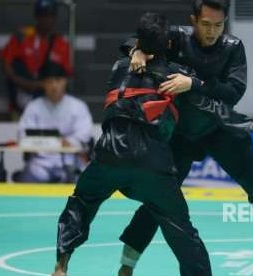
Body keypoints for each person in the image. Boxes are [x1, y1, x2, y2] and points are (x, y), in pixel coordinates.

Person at [118, 1, 253, 275]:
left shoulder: (233, 48)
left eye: (218, 25)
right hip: (180, 133)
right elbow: (135, 38)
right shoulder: (176, 37)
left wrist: (194, 83)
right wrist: (138, 50)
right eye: (205, 24)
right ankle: (127, 265)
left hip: (219, 127)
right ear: (193, 20)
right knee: (159, 198)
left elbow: (233, 93)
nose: (212, 31)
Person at [52, 13, 214, 276]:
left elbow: (132, 51)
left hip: (108, 156)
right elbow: (208, 92)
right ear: (169, 45)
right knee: (182, 231)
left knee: (81, 201)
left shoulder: (118, 67)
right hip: (153, 163)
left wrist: (136, 51)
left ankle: (61, 266)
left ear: (140, 42)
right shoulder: (177, 76)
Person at [16, 61, 93, 183]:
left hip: (71, 160)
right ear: (43, 83)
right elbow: (23, 134)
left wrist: (68, 141)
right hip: (41, 161)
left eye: (58, 80)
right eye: (49, 81)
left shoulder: (78, 106)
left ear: (65, 81)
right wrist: (49, 142)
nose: (54, 85)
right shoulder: (34, 107)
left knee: (85, 181)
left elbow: (84, 134)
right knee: (29, 177)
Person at [0, 0, 71, 118]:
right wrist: (24, 83)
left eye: (49, 15)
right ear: (36, 17)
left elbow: (66, 76)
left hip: (48, 93)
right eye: (42, 15)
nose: (45, 19)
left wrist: (47, 86)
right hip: (23, 88)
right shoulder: (22, 36)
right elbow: (6, 64)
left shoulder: (62, 44)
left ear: (54, 17)